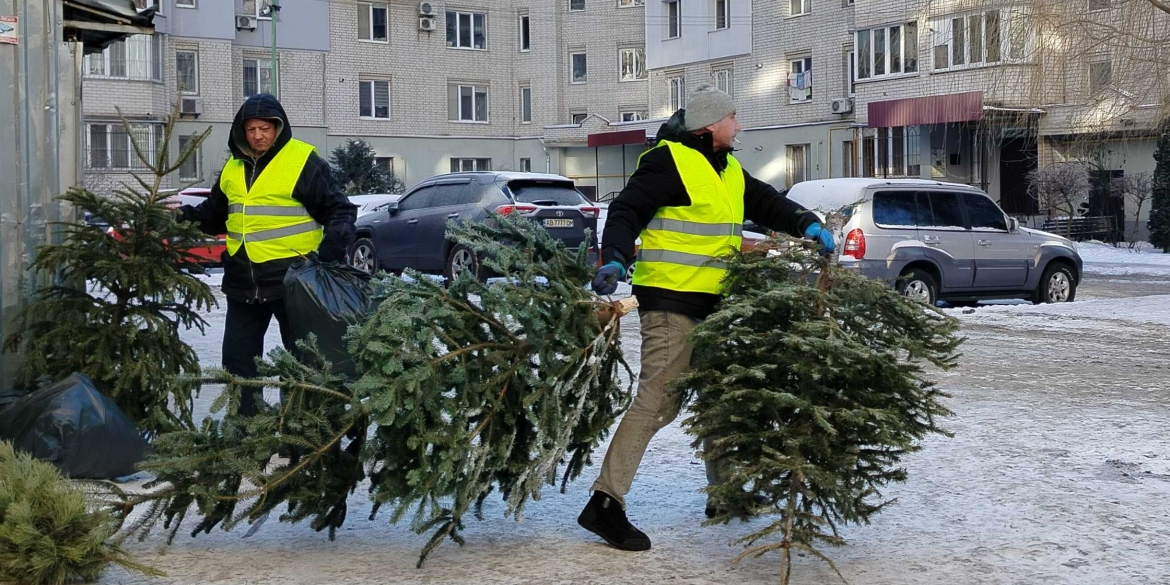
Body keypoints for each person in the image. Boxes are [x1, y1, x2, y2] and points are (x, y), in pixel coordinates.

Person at [576, 85, 835, 552]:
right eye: (733, 117)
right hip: (671, 304)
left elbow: (767, 202)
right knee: (657, 403)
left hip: (715, 306)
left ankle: (725, 495)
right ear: (710, 125)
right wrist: (612, 258)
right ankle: (605, 504)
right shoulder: (668, 161)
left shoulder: (727, 169)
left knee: (720, 399)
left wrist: (807, 221)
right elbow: (627, 209)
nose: (738, 125)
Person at [180, 93, 357, 416]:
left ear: (278, 128)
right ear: (241, 131)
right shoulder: (233, 168)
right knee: (238, 362)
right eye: (251, 129)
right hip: (242, 283)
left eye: (265, 128)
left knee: (303, 361)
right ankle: (247, 428)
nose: (258, 136)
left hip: (294, 284)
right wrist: (181, 219)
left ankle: (304, 430)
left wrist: (330, 251)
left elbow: (340, 210)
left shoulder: (302, 161)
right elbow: (215, 215)